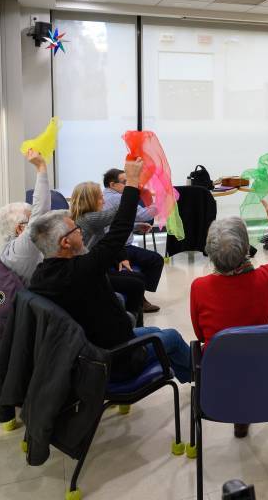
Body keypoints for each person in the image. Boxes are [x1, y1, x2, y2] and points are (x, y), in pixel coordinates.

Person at [29, 159, 190, 384]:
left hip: (90, 351)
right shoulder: (82, 270)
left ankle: (194, 379)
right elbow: (117, 231)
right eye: (76, 231)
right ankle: (203, 382)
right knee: (171, 336)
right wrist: (132, 181)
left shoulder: (40, 275)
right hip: (115, 358)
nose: (80, 232)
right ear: (65, 242)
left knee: (153, 328)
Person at [190, 193, 268, 438]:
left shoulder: (199, 287)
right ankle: (244, 415)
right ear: (247, 249)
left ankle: (236, 411)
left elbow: (200, 334)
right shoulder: (263, 280)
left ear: (210, 253)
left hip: (219, 369)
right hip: (260, 364)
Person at [69, 181, 147, 325]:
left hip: (93, 269)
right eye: (100, 197)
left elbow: (110, 234)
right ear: (90, 200)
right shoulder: (89, 219)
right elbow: (119, 211)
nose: (104, 201)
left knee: (138, 280)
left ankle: (134, 322)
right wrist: (133, 191)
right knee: (136, 284)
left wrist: (135, 227)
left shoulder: (85, 218)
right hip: (88, 275)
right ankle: (131, 325)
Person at [103, 168, 164, 313]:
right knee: (156, 260)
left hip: (112, 246)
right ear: (112, 184)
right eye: (125, 182)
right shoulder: (118, 198)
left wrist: (136, 226)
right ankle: (140, 297)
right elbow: (144, 214)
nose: (130, 184)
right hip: (120, 248)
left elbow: (115, 223)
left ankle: (139, 296)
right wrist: (161, 202)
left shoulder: (105, 195)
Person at [0, 149, 50, 285]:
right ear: (20, 229)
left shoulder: (10, 251)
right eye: (30, 220)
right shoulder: (21, 249)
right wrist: (41, 166)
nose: (33, 223)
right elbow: (40, 213)